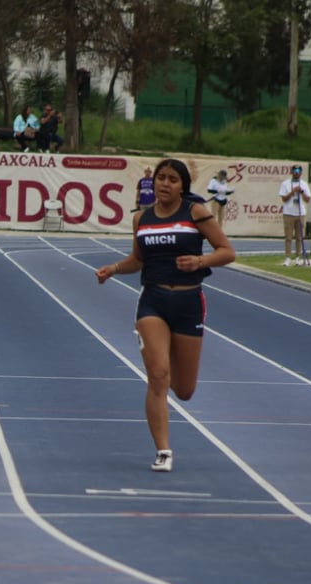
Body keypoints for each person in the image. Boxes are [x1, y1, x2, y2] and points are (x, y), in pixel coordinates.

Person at [95, 158, 235, 473]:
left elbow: (227, 251)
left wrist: (199, 262)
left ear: (183, 186)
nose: (165, 184)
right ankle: (163, 450)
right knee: (158, 376)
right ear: (153, 182)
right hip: (153, 302)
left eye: (172, 179)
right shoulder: (141, 218)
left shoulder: (195, 212)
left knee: (184, 390)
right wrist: (114, 269)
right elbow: (137, 259)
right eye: (161, 178)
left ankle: (171, 364)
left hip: (188, 303)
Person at [279, 165, 311, 266]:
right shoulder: (285, 183)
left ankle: (298, 257)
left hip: (300, 213)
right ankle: (288, 257)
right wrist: (292, 192)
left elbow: (307, 199)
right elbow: (284, 199)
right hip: (288, 212)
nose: (296, 173)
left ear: (301, 173)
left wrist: (301, 192)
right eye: (295, 171)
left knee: (299, 237)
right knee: (288, 237)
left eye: (298, 171)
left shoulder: (304, 184)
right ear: (291, 172)